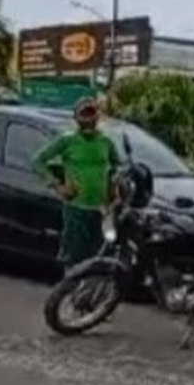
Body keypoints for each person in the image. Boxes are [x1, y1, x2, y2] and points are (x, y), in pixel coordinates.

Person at [33, 97, 121, 272]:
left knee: (99, 255)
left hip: (100, 209)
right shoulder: (67, 140)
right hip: (76, 208)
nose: (88, 119)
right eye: (84, 114)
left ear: (98, 116)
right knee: (74, 256)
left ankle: (92, 294)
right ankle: (70, 291)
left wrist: (114, 184)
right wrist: (58, 186)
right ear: (77, 118)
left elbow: (117, 165)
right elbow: (38, 161)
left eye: (92, 113)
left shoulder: (106, 142)